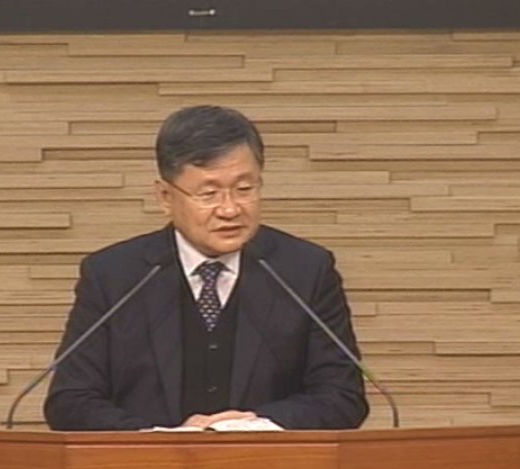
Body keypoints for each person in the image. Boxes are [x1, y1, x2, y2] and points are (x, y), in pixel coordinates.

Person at [43, 105, 368, 431]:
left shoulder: (305, 270)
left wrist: (257, 425)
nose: (229, 209)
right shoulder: (114, 275)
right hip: (147, 461)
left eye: (244, 189)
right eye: (209, 193)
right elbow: (70, 401)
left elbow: (342, 396)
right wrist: (156, 440)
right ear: (165, 197)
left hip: (269, 461)